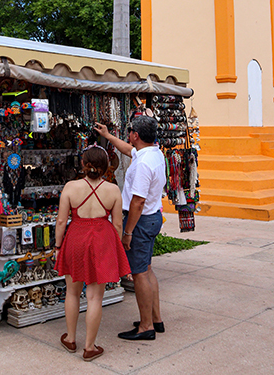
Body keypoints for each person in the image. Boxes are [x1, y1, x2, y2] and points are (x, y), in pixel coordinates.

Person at [54, 145, 131, 361]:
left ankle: (70, 338)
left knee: (72, 292)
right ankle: (89, 347)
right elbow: (117, 225)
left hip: (76, 238)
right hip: (102, 239)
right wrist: (115, 248)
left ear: (83, 164)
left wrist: (58, 246)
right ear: (106, 166)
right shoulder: (113, 190)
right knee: (95, 297)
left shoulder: (70, 187)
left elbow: (61, 221)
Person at [95, 116, 166, 341]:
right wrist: (107, 135)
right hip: (152, 218)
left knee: (139, 273)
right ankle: (155, 319)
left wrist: (128, 232)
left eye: (130, 132)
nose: (129, 136)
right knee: (146, 269)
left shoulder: (145, 163)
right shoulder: (153, 153)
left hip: (141, 221)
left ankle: (146, 327)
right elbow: (128, 150)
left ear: (136, 134)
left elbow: (137, 202)